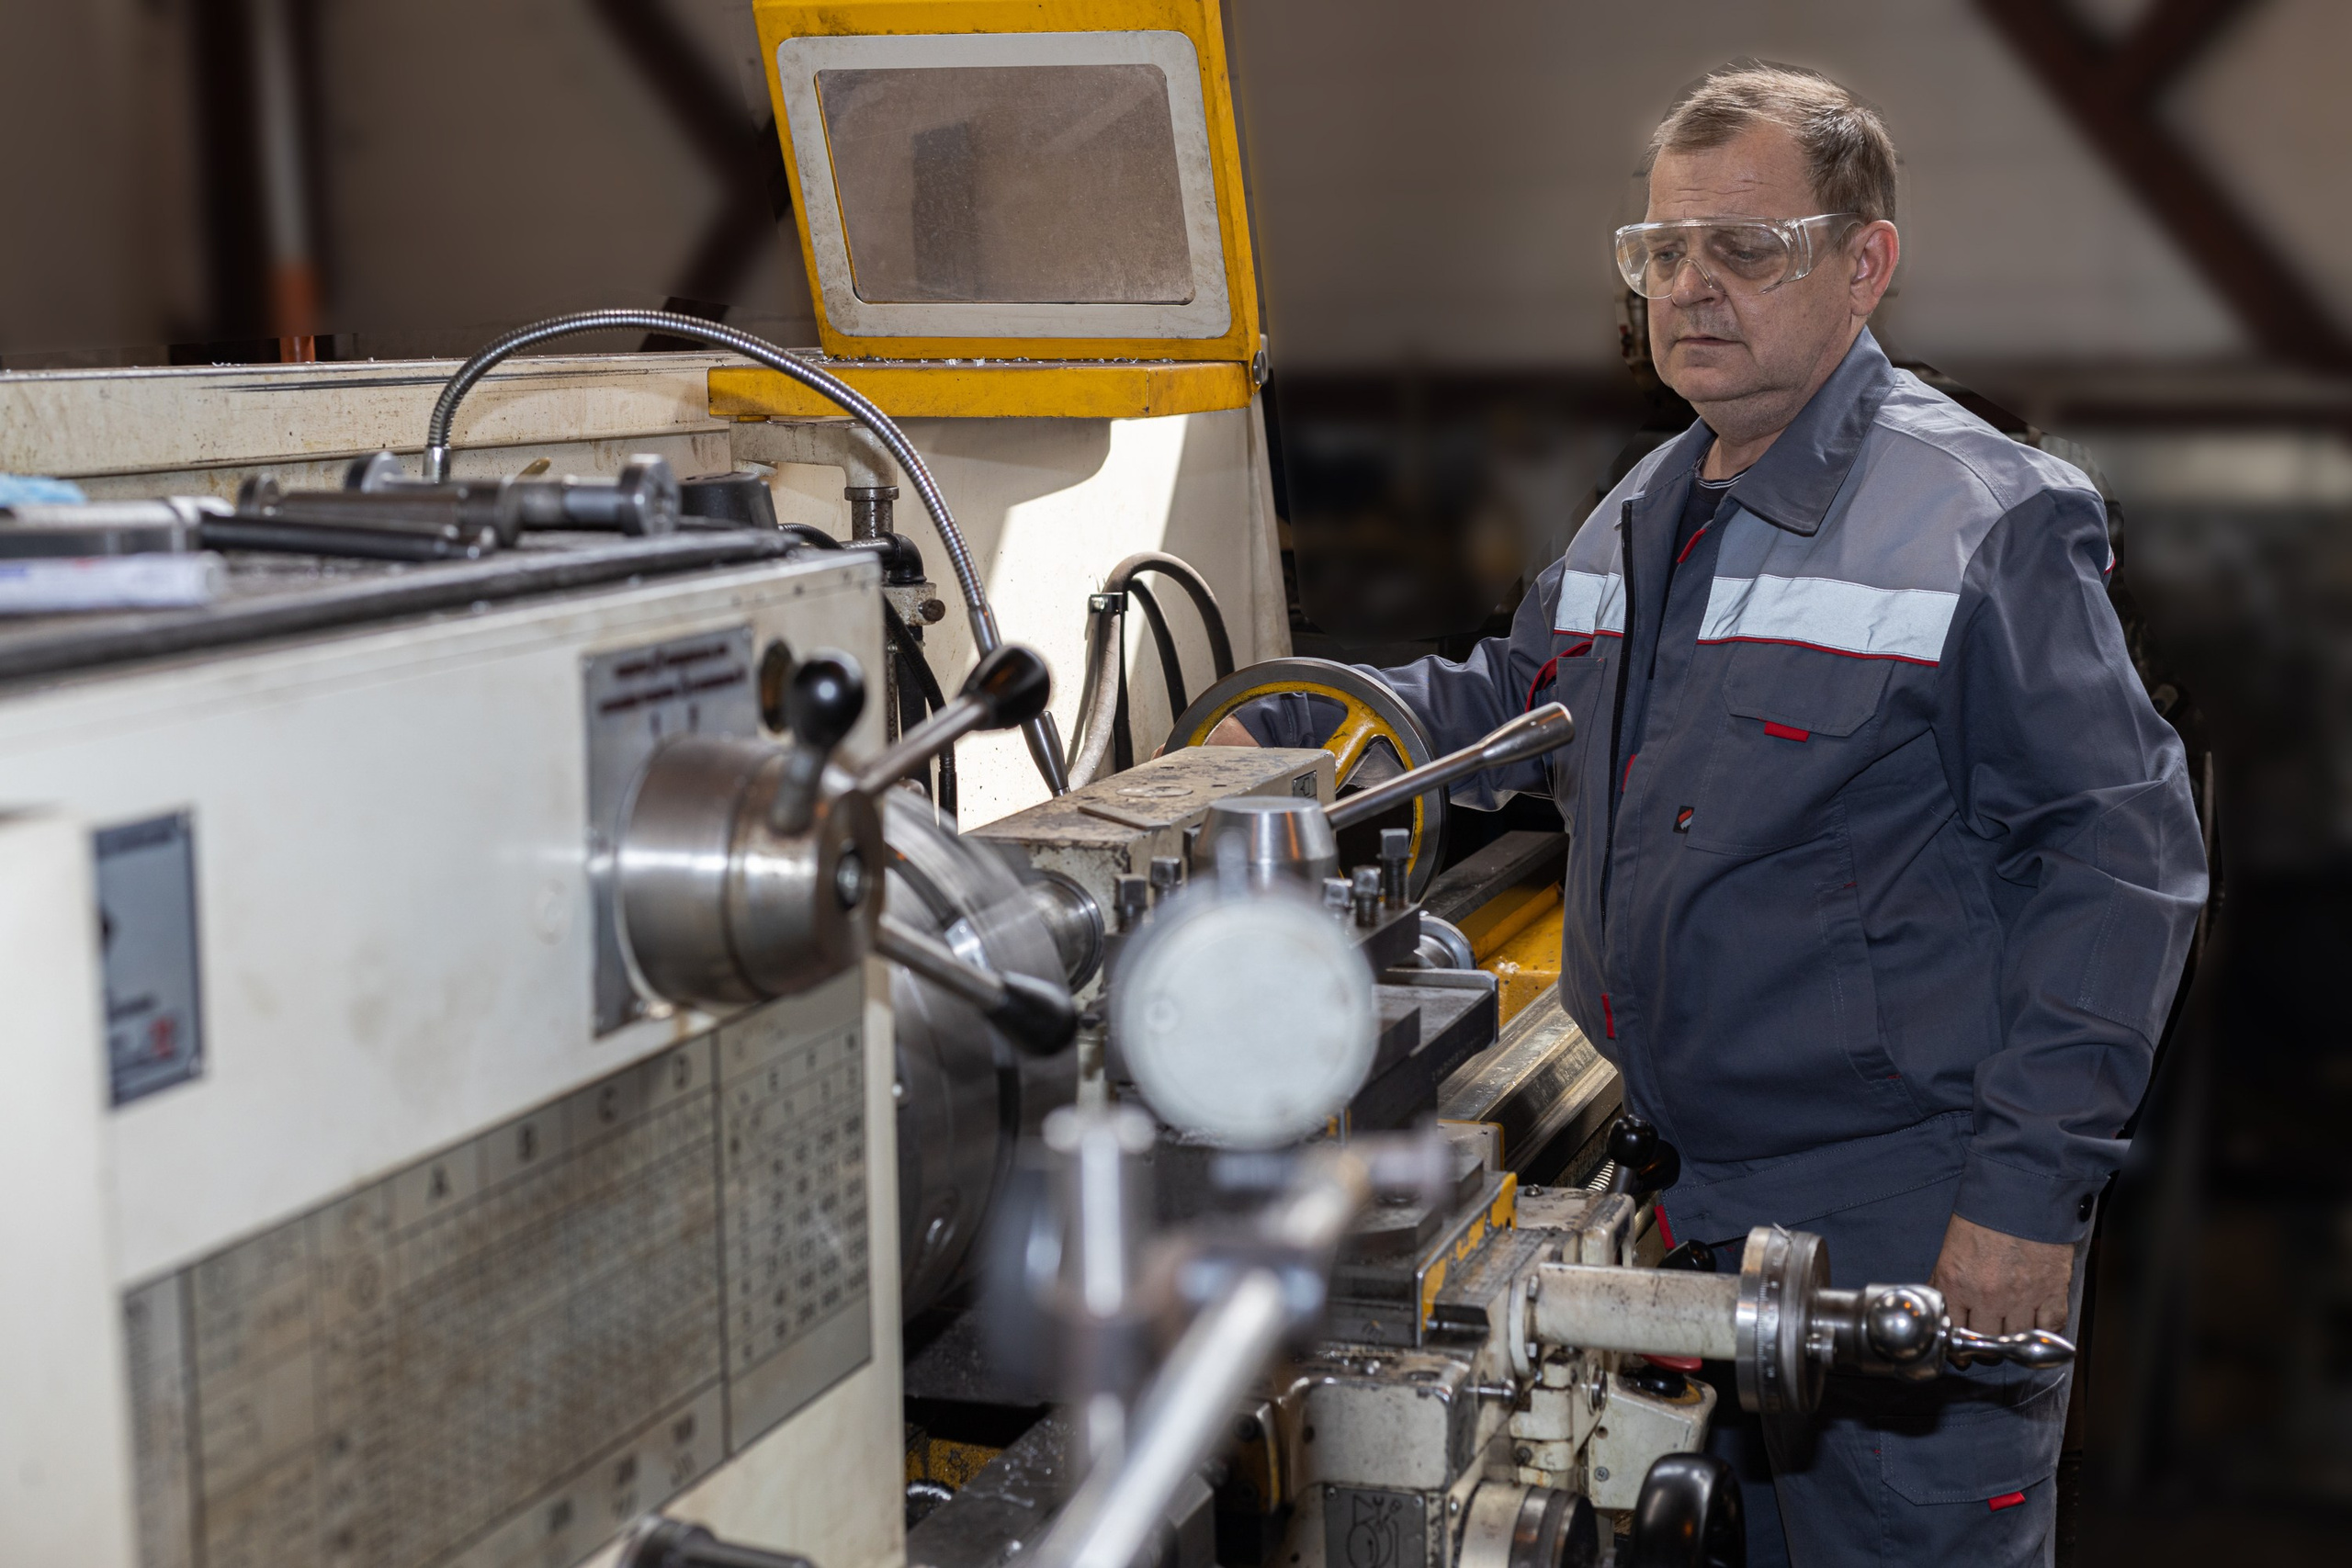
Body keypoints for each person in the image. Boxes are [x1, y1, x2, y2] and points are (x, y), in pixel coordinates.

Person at [1215, 62, 2206, 1566]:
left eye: (1744, 248)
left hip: (1903, 1205)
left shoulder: (1984, 517)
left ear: (1864, 264)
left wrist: (2021, 1201)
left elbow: (2122, 864)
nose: (1689, 285)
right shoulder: (1646, 501)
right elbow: (1510, 699)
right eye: (1660, 251)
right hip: (1680, 1196)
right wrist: (1263, 734)